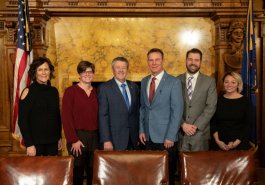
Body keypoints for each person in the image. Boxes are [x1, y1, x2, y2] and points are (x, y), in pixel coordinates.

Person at [139, 48, 183, 185]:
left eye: (157, 59)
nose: (154, 63)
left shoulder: (173, 82)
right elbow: (143, 108)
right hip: (147, 137)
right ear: (147, 62)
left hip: (166, 138)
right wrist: (141, 129)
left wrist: (171, 135)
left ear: (162, 61)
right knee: (151, 174)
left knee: (166, 175)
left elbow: (177, 111)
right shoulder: (144, 81)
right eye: (151, 60)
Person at [62, 61, 98, 185]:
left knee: (93, 172)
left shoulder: (97, 92)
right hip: (78, 137)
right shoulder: (70, 91)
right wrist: (73, 139)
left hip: (95, 137)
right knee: (77, 172)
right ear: (79, 74)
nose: (87, 74)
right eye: (84, 71)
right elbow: (66, 118)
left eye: (90, 71)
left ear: (93, 74)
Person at [18, 57, 62, 156]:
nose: (43, 73)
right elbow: (22, 120)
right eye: (40, 69)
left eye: (46, 69)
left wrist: (58, 138)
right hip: (35, 144)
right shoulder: (28, 91)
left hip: (52, 142)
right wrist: (29, 144)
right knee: (37, 172)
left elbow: (56, 117)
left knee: (53, 171)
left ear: (50, 71)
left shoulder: (54, 91)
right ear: (35, 72)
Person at [177, 48, 217, 151]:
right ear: (186, 60)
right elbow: (173, 106)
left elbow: (211, 107)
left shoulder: (210, 82)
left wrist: (195, 126)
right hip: (181, 133)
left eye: (196, 60)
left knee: (201, 166)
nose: (193, 63)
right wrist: (182, 124)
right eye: (190, 59)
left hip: (200, 134)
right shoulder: (176, 80)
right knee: (181, 165)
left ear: (200, 62)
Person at [98, 57, 140, 150]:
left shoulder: (134, 87)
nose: (121, 70)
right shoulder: (104, 88)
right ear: (113, 69)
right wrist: (106, 140)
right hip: (114, 140)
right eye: (118, 67)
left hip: (133, 139)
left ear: (127, 69)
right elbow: (103, 116)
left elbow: (136, 113)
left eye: (124, 67)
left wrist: (138, 135)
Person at [211, 72, 252, 151]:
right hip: (219, 144)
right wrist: (218, 141)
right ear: (223, 83)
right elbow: (213, 123)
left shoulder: (246, 101)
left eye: (233, 82)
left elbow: (247, 125)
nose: (229, 85)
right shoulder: (217, 100)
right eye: (226, 82)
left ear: (238, 84)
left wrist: (235, 143)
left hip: (240, 144)